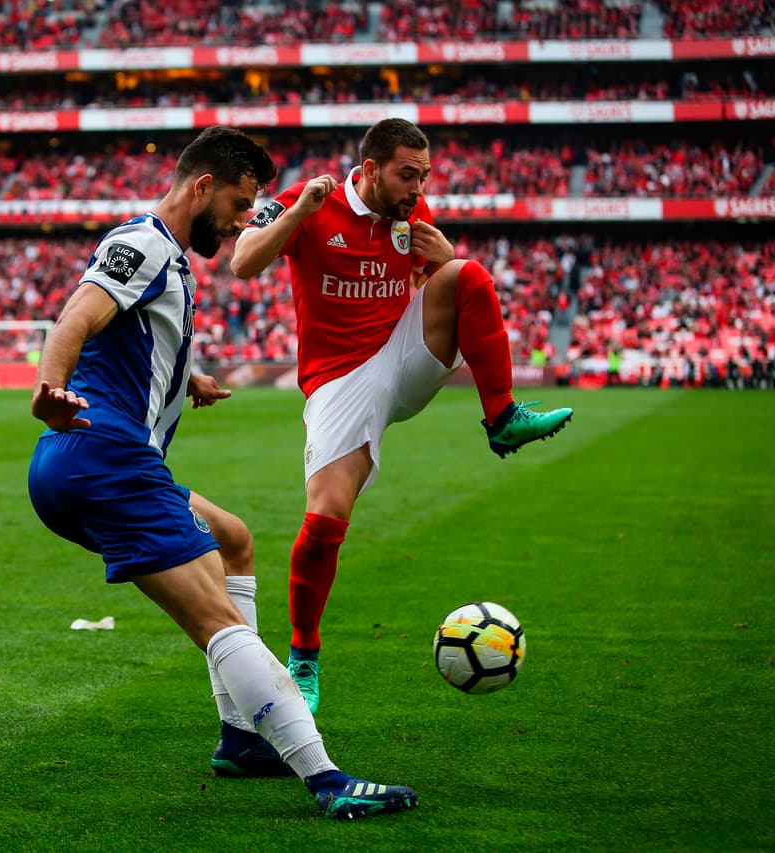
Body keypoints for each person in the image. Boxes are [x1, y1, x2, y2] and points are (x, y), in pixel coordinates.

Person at [28, 126, 416, 822]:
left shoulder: (167, 258)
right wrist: (50, 388)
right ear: (203, 186)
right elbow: (76, 317)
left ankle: (241, 737)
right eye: (239, 204)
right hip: (103, 457)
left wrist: (187, 379)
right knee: (219, 617)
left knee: (233, 538)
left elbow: (128, 337)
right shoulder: (145, 241)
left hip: (92, 463)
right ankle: (325, 776)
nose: (244, 220)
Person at [230, 118, 573, 714]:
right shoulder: (311, 202)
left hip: (403, 354)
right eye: (407, 175)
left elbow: (436, 276)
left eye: (424, 176)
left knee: (468, 273)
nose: (417, 188)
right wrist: (297, 213)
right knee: (324, 522)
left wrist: (442, 257)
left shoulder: (416, 214)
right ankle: (304, 657)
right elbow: (242, 263)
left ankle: (502, 418)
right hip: (340, 382)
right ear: (369, 170)